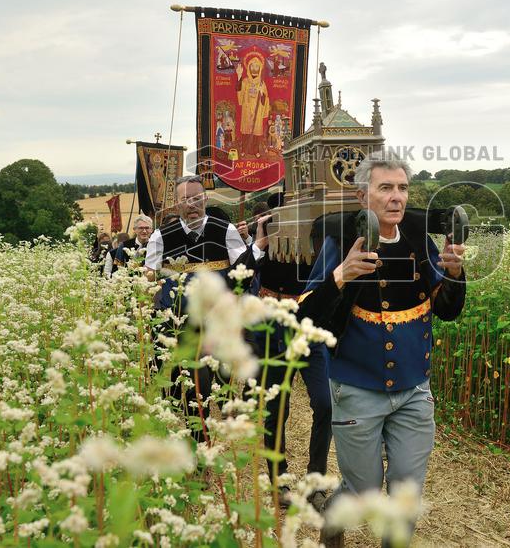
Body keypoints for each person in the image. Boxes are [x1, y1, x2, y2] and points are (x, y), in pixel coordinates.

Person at [297, 151, 466, 547]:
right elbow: (305, 318)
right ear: (362, 198)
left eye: (402, 188)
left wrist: (456, 275)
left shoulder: (419, 241)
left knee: (406, 495)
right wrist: (340, 276)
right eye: (385, 188)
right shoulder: (341, 244)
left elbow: (447, 311)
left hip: (413, 390)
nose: (396, 197)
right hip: (356, 389)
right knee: (364, 491)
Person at [143, 175, 271, 441]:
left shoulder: (224, 230)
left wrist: (257, 250)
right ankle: (200, 443)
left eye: (197, 198)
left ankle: (227, 418)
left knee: (219, 377)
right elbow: (149, 278)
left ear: (205, 199)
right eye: (185, 199)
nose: (192, 204)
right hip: (182, 325)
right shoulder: (160, 236)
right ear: (175, 204)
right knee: (193, 387)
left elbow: (240, 271)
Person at [245, 197, 328, 508]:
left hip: (311, 325)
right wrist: (260, 241)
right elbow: (243, 273)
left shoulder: (322, 226)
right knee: (277, 406)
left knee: (326, 403)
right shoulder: (270, 226)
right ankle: (279, 480)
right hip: (275, 325)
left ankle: (316, 482)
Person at [235, 51, 271, 158]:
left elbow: (266, 100)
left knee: (256, 132)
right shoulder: (245, 81)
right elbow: (239, 92)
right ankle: (244, 150)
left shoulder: (262, 83)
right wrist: (239, 76)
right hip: (246, 109)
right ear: (249, 67)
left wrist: (261, 92)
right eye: (252, 65)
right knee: (246, 131)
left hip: (257, 110)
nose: (254, 68)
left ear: (259, 68)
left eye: (257, 66)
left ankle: (255, 150)